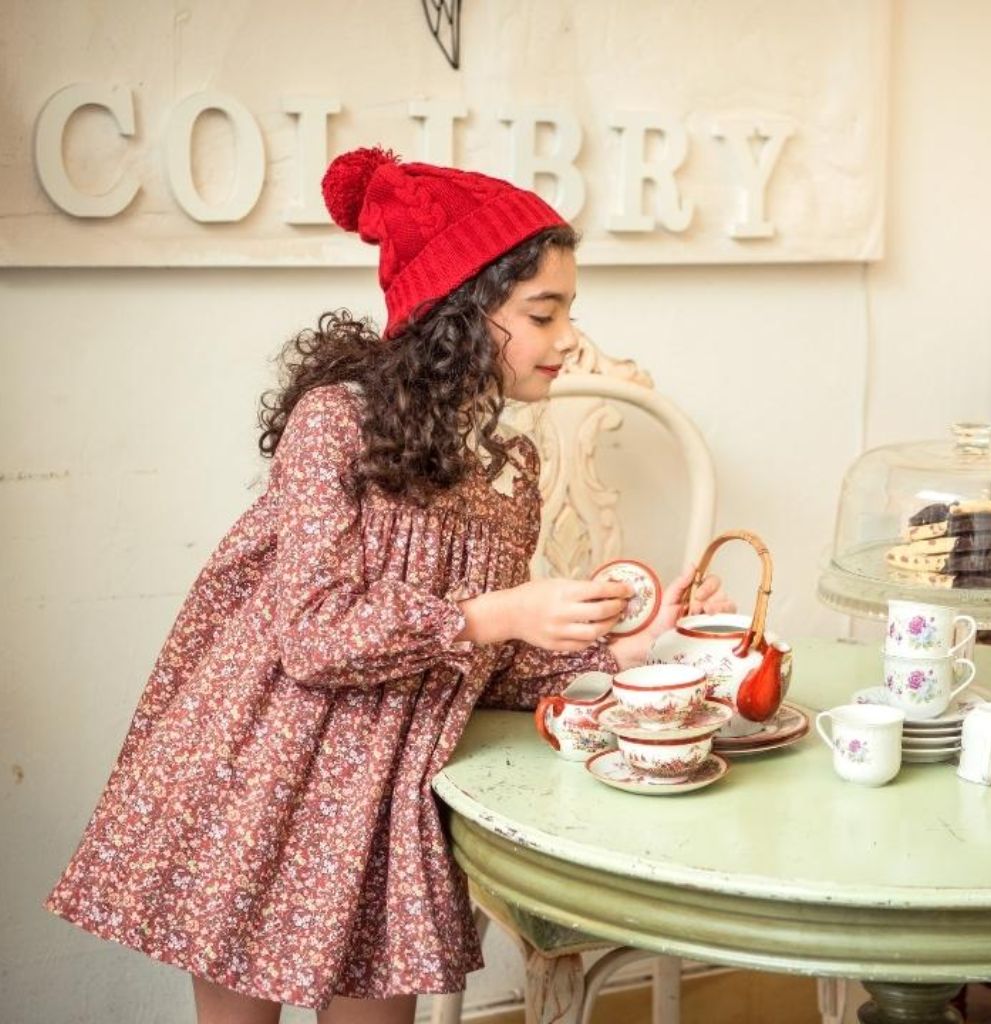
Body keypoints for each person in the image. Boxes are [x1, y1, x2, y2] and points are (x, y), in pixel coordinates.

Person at [45, 148, 733, 1024]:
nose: (569, 338)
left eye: (570, 312)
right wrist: (498, 612)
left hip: (384, 808)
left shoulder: (510, 470)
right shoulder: (334, 425)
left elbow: (479, 661)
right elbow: (315, 635)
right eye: (543, 312)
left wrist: (624, 644)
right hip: (262, 781)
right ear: (458, 314)